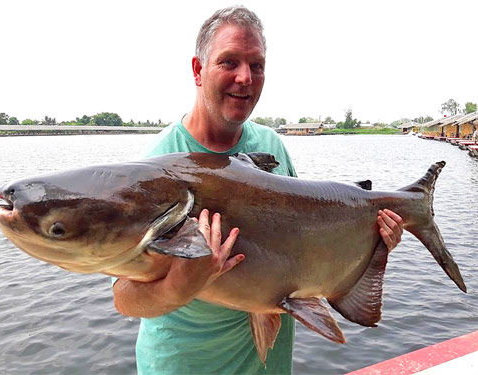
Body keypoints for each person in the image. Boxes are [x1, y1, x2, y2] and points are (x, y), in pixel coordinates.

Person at [112, 6, 404, 375]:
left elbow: (303, 235)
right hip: (186, 363)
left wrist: (370, 239)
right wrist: (178, 286)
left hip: (270, 363)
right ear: (198, 70)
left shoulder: (271, 144)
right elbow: (124, 297)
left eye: (257, 65)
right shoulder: (159, 166)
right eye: (229, 62)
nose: (245, 77)